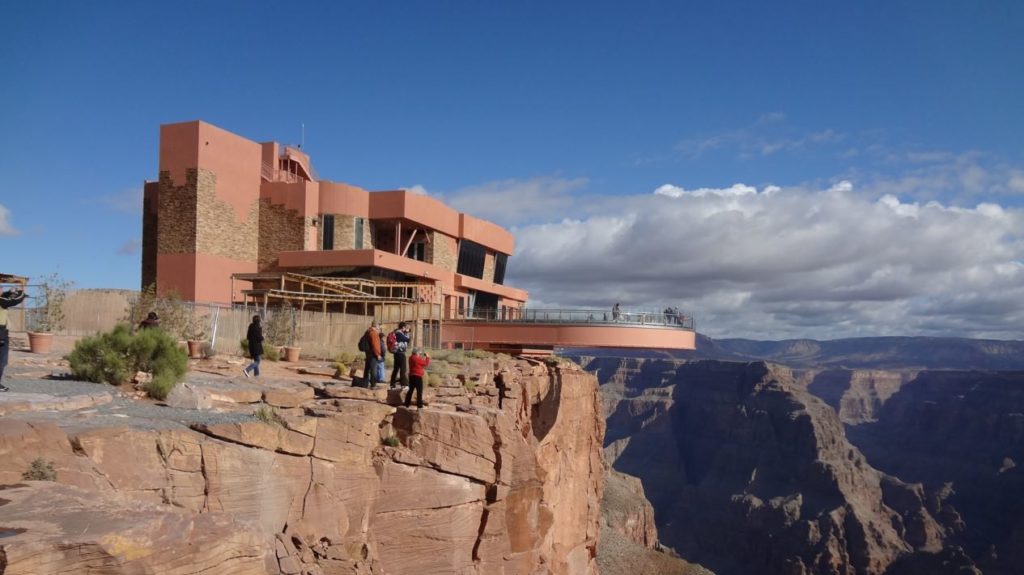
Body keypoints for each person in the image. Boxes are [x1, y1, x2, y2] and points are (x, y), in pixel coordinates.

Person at [0, 287, 27, 392]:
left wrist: (9, 292)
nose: (1, 289)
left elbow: (5, 297)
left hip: (2, 333)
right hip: (1, 334)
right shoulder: (2, 301)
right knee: (2, 360)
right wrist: (22, 293)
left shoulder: (2, 299)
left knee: (2, 361)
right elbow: (15, 300)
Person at [389, 322, 411, 389]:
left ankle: (392, 384)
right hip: (400, 353)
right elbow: (408, 340)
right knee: (403, 369)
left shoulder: (396, 332)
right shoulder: (399, 333)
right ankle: (404, 384)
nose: (406, 329)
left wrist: (406, 332)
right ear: (403, 327)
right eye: (405, 328)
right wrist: (407, 333)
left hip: (397, 353)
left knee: (396, 369)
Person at [362, 320, 382, 388]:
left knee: (367, 369)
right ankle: (373, 385)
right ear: (376, 326)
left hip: (368, 353)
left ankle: (364, 383)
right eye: (379, 326)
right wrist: (378, 354)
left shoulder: (368, 331)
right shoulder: (374, 333)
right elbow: (375, 345)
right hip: (373, 353)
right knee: (373, 369)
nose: (380, 327)